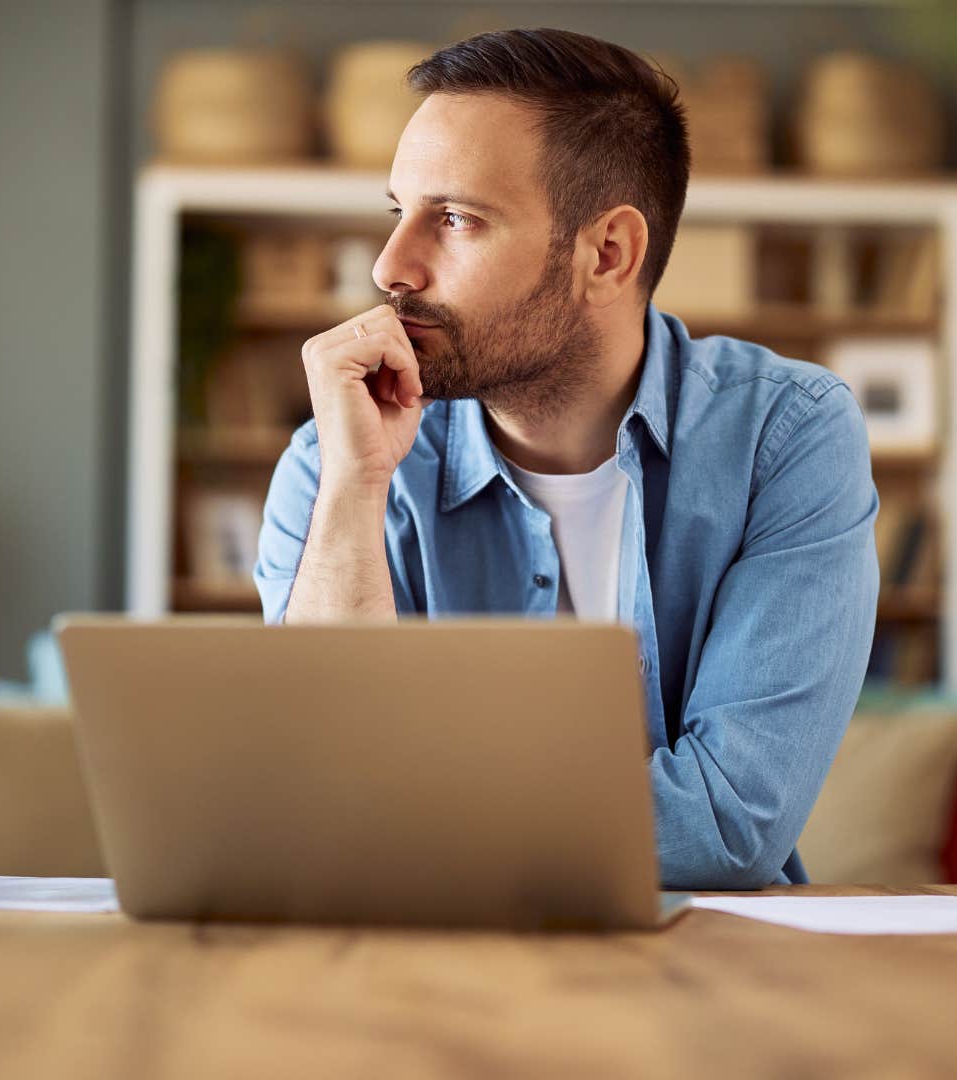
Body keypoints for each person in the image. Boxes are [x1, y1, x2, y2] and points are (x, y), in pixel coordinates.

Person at [253, 27, 879, 889]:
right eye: (399, 213)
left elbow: (728, 826)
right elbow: (310, 796)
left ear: (607, 253)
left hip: (701, 981)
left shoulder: (787, 438)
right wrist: (354, 492)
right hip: (406, 980)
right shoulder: (338, 458)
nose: (390, 267)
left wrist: (402, 815)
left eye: (457, 219)